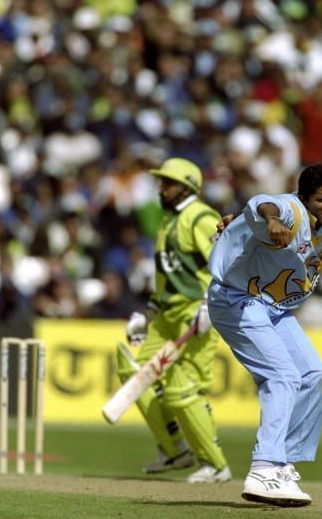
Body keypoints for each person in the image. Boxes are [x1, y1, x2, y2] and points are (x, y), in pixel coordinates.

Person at [208, 163, 322, 506]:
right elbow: (262, 204)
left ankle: (282, 463)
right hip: (236, 300)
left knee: (315, 376)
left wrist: (235, 224)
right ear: (303, 198)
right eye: (321, 199)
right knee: (282, 376)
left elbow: (247, 216)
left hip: (272, 306)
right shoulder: (289, 211)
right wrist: (268, 220)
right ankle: (263, 467)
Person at [117, 157, 231, 483]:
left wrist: (212, 302)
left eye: (167, 182)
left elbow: (224, 263)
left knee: (185, 391)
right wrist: (146, 312)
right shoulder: (168, 221)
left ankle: (216, 465)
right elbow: (166, 278)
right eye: (161, 182)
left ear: (186, 187)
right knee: (135, 373)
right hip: (167, 315)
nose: (161, 187)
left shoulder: (200, 217)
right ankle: (174, 450)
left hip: (196, 312)